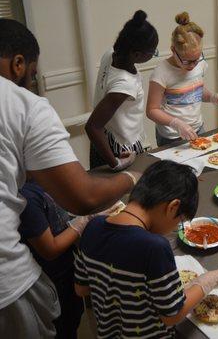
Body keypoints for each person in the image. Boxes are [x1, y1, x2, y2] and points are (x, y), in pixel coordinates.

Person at [0, 18, 136, 338]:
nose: (32, 84)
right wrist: (133, 176)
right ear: (19, 64)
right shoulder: (22, 105)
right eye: (32, 76)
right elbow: (82, 197)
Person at [74, 160, 218, 338]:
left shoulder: (92, 227)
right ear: (173, 207)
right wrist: (207, 281)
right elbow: (172, 316)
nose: (174, 229)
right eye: (179, 222)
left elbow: (81, 289)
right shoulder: (154, 247)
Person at [18, 181, 118, 338]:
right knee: (63, 324)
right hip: (50, 276)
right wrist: (85, 221)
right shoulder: (26, 196)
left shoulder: (44, 180)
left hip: (67, 267)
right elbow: (49, 249)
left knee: (74, 314)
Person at [86, 10, 159, 169]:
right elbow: (92, 126)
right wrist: (116, 163)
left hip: (105, 138)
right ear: (137, 54)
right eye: (153, 53)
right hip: (121, 149)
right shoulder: (125, 84)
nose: (153, 55)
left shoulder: (110, 54)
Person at [147, 12, 218, 147]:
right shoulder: (161, 72)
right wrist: (177, 123)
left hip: (197, 128)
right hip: (171, 136)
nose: (192, 66)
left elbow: (195, 90)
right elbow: (151, 110)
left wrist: (214, 97)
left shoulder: (200, 65)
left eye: (196, 60)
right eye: (186, 61)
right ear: (173, 50)